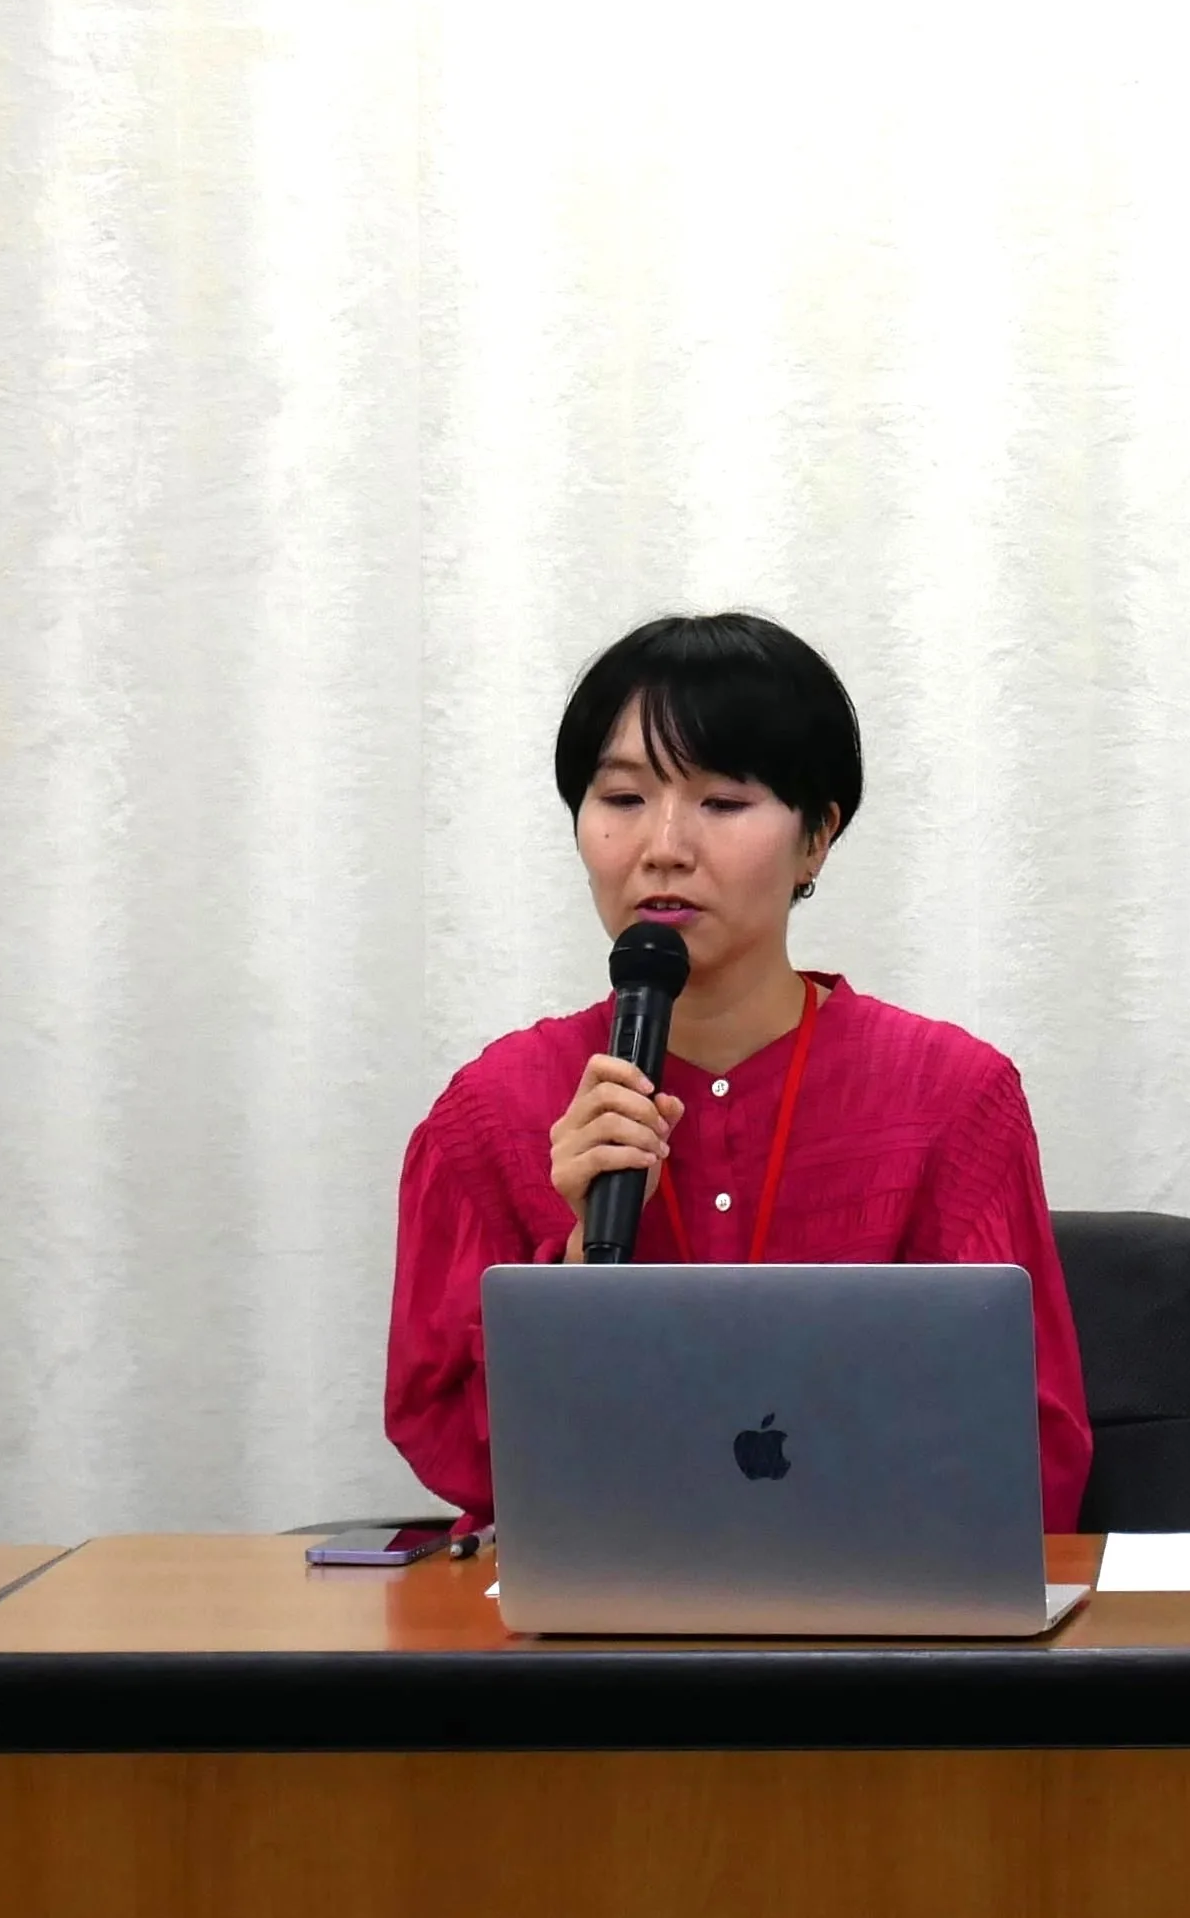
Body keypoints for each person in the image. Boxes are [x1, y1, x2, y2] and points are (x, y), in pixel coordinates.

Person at [386, 614, 1093, 1528]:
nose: (664, 845)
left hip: (879, 1595)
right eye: (622, 798)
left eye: (722, 803)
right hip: (594, 1603)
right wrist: (578, 1262)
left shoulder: (951, 1097)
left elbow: (1030, 1450)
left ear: (817, 837)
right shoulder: (496, 1108)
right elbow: (449, 1445)